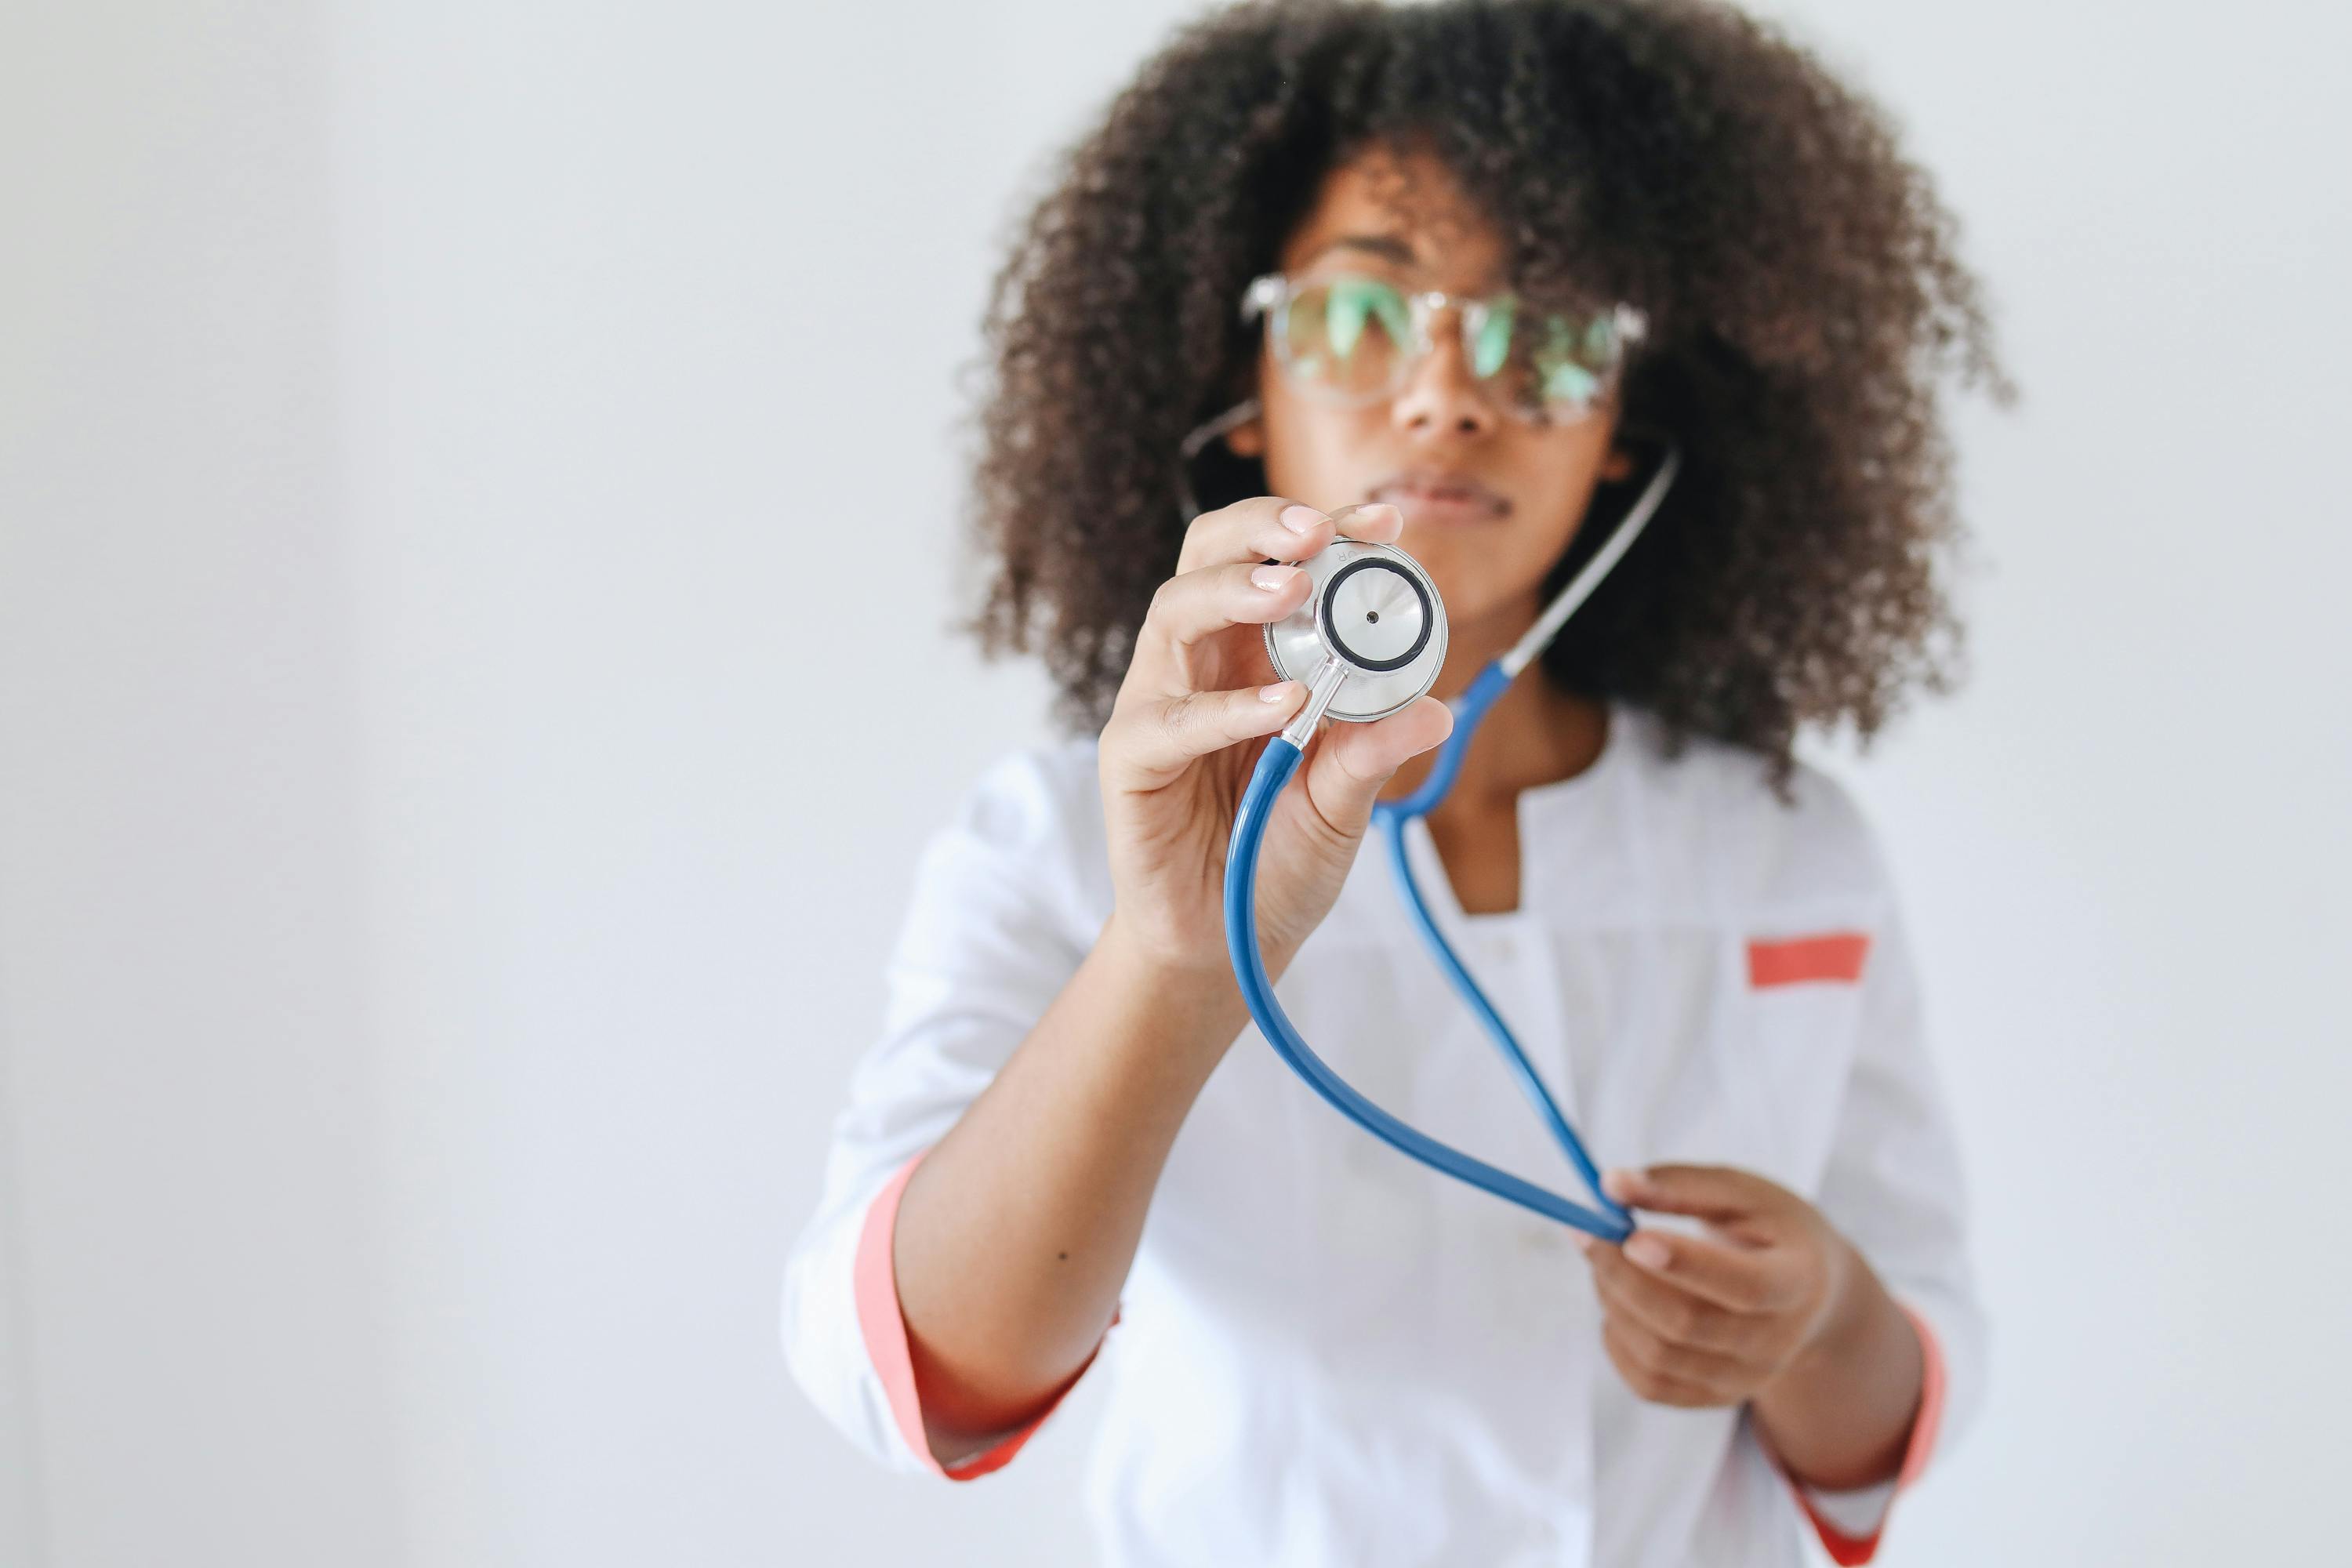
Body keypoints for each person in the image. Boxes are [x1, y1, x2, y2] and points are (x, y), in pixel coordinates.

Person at [783, 1, 2012, 1562]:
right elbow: (900, 1372)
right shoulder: (1056, 842)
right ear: (1249, 377)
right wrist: (1170, 955)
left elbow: (1909, 1364)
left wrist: (1823, 1314)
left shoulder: (1786, 852)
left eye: (1546, 330)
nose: (1445, 395)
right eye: (1365, 318)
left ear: (1625, 422)